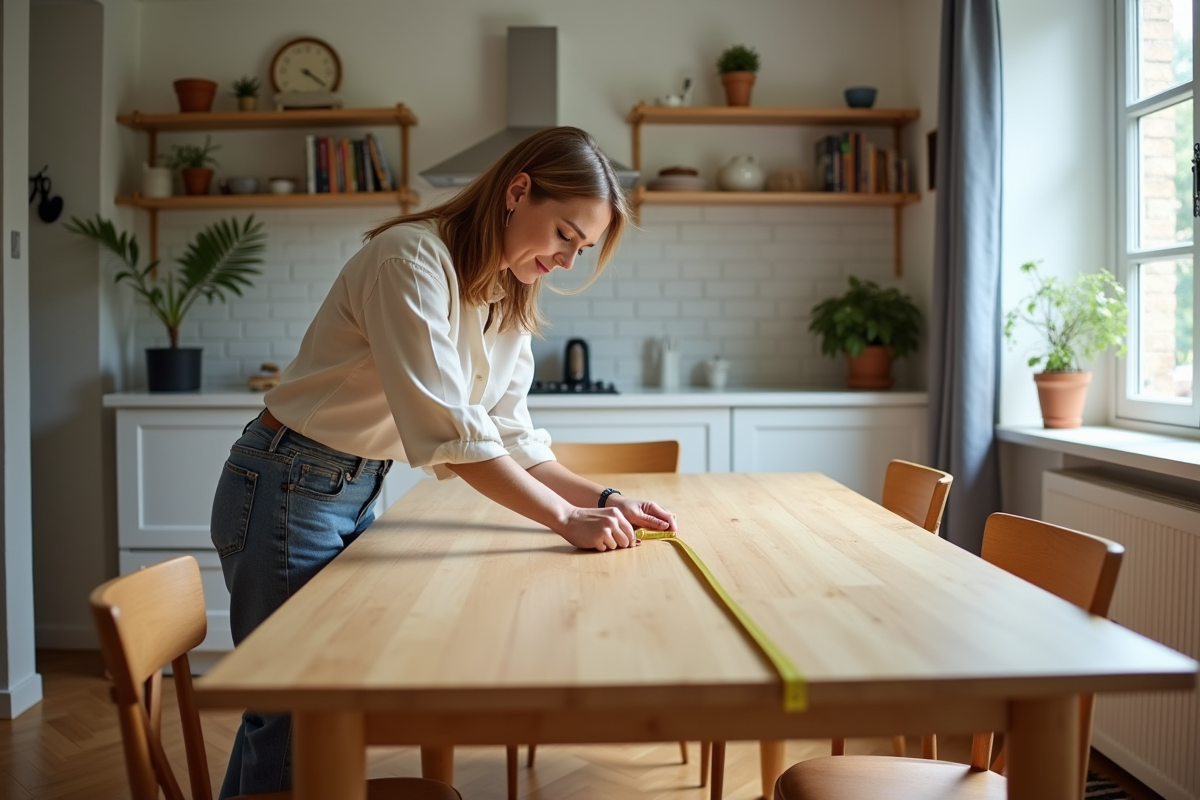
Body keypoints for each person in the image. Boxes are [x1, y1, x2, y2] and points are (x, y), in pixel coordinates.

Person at [209, 126, 678, 798]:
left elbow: (510, 434)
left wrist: (602, 499)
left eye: (582, 249)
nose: (568, 260)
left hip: (348, 485)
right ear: (518, 191)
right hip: (286, 482)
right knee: (294, 710)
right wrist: (562, 519)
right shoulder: (409, 260)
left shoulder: (507, 292)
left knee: (294, 708)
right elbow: (449, 431)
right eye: (565, 235)